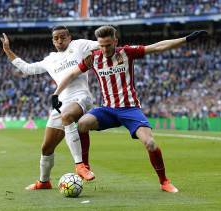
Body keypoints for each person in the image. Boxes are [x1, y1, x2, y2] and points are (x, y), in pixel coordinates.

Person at [52, 25, 208, 193]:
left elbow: (157, 47)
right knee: (82, 123)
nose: (104, 49)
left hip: (130, 109)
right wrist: (56, 94)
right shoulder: (93, 58)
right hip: (107, 110)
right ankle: (84, 166)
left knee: (150, 143)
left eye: (108, 45)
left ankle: (164, 181)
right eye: (101, 45)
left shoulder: (127, 53)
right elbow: (71, 74)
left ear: (115, 41)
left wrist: (186, 39)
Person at [0, 26, 98, 190]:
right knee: (46, 148)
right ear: (53, 41)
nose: (60, 40)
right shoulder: (49, 60)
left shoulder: (80, 45)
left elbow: (102, 44)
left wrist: (102, 46)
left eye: (63, 37)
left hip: (81, 97)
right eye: (56, 38)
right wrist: (8, 50)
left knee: (67, 116)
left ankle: (80, 165)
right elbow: (27, 69)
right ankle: (44, 182)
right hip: (61, 102)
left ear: (69, 37)